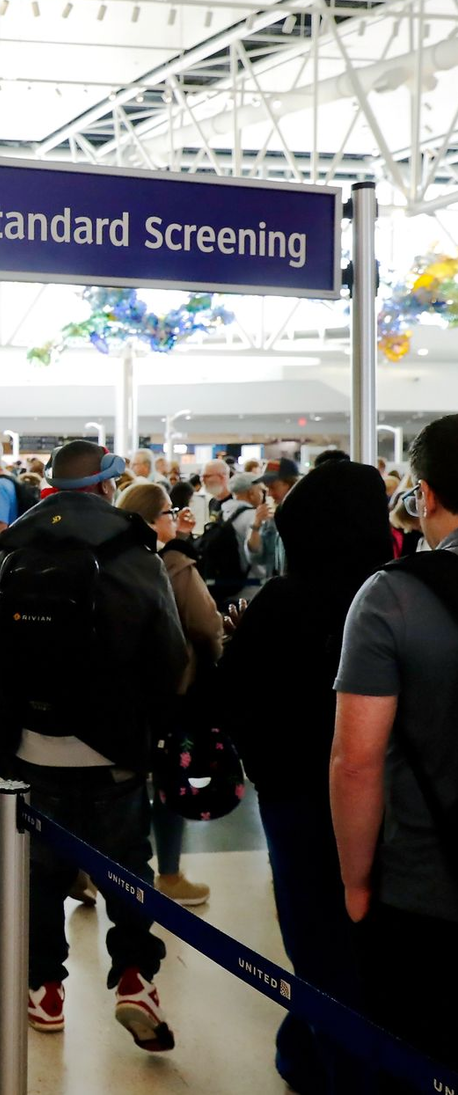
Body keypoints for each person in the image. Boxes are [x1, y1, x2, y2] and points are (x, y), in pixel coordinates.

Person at [0, 442, 186, 1051]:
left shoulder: (8, 550)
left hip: (32, 748)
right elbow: (167, 651)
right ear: (108, 487)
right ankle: (136, 978)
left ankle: (44, 990)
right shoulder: (131, 551)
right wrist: (152, 728)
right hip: (112, 746)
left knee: (39, 874)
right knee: (126, 867)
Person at [222, 461, 390, 1095]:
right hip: (390, 802)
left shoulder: (284, 601)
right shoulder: (397, 593)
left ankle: (336, 1067)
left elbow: (233, 699)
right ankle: (305, 1050)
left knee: (314, 933)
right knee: (367, 940)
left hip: (297, 799)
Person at [332, 415, 458, 1089]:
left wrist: (355, 881)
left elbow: (355, 759)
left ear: (426, 494)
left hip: (425, 888)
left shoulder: (392, 597)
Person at [118, 481, 221, 908]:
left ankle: (92, 869)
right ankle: (171, 873)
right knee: (168, 782)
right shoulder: (177, 566)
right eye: (168, 512)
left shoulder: (108, 560)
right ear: (151, 518)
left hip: (121, 691)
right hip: (171, 691)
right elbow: (206, 624)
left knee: (116, 787)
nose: (174, 518)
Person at [245, 458, 299, 580]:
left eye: (273, 487)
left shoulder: (307, 518)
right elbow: (257, 558)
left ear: (290, 484)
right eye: (267, 489)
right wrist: (256, 525)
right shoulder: (271, 519)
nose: (269, 494)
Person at [220, 472, 269, 601]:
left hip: (228, 586)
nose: (263, 494)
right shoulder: (253, 516)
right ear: (251, 493)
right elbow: (256, 552)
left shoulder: (223, 512)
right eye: (260, 490)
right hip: (250, 589)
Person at [188, 458, 230, 536]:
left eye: (207, 476)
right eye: (201, 476)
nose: (202, 480)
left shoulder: (234, 502)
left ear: (222, 477)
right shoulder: (212, 501)